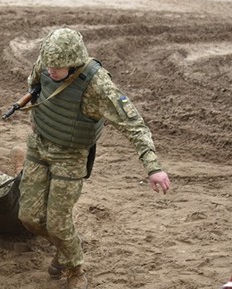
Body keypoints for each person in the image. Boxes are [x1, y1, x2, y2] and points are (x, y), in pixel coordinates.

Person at [17, 27, 172, 289]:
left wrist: (153, 167)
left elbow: (134, 124)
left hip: (71, 156)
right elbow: (35, 84)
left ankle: (74, 267)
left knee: (57, 223)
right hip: (39, 145)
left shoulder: (97, 85)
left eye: (60, 66)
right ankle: (66, 245)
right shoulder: (46, 62)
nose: (52, 70)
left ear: (75, 62)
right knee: (29, 217)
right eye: (50, 64)